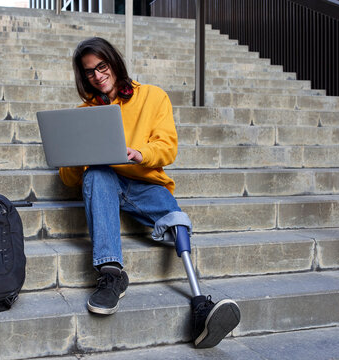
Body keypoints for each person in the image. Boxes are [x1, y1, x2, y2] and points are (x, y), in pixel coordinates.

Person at [59, 37, 240, 349]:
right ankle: (112, 274)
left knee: (176, 219)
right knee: (96, 175)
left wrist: (139, 154)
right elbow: (68, 178)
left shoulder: (153, 96)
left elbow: (167, 146)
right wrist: (79, 156)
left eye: (101, 66)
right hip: (106, 183)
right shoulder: (84, 114)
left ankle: (200, 305)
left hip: (147, 184)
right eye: (89, 72)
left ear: (113, 63)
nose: (97, 75)